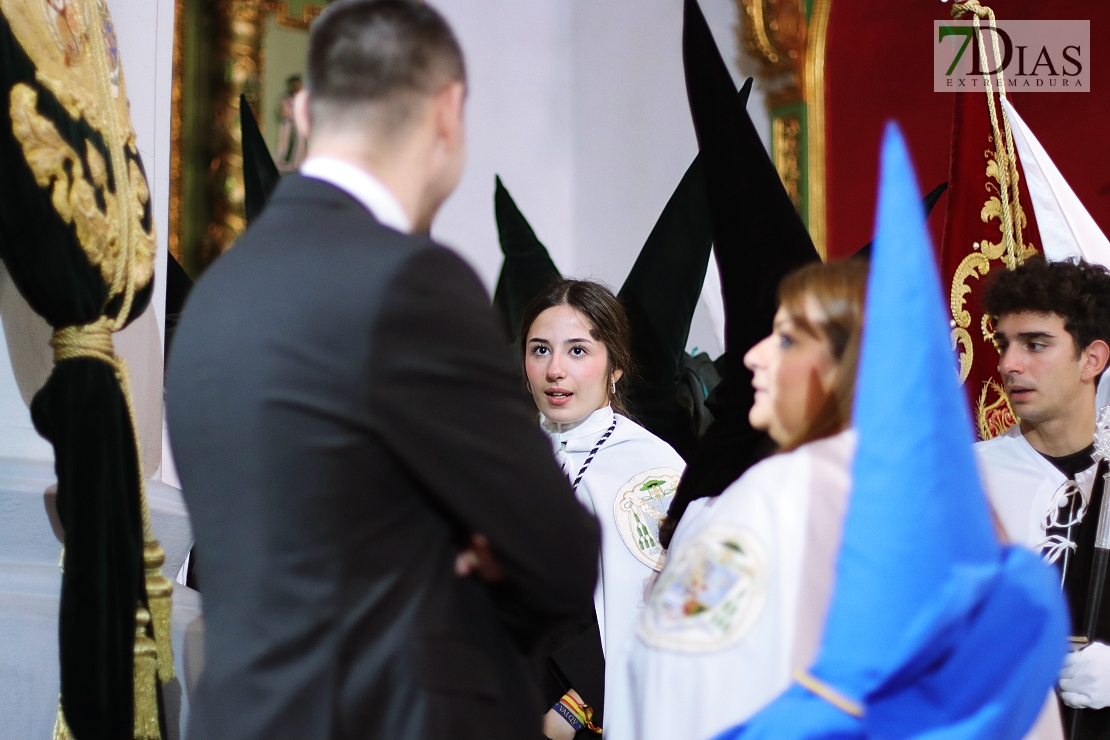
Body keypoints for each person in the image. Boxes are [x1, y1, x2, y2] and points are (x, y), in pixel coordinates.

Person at [166, 2, 600, 739]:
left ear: (302, 109)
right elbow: (555, 554)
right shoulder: (410, 283)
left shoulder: (216, 297)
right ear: (447, 111)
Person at [613, 258, 867, 740]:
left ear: (845, 365)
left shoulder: (768, 498)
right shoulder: (932, 501)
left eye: (788, 339)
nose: (754, 356)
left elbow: (674, 682)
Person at [519, 280, 685, 740]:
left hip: (585, 715)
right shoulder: (506, 456)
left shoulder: (651, 469)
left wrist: (570, 711)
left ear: (615, 366)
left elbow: (656, 611)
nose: (555, 370)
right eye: (539, 350)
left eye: (577, 351)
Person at [975, 256, 1110, 739]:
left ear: (1091, 359)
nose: (1010, 364)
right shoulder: (966, 480)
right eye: (1003, 344)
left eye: (1035, 344)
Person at [275, 74, 307, 173]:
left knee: (300, 147)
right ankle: (283, 163)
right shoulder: (286, 99)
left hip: (299, 128)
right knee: (285, 145)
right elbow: (282, 112)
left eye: (298, 84)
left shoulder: (304, 98)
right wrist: (291, 115)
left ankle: (298, 164)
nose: (296, 87)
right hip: (288, 126)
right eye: (294, 85)